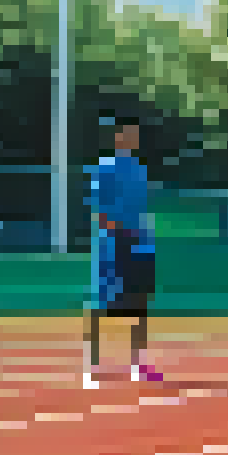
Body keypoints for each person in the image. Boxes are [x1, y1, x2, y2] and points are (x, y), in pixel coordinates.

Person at [85, 118, 160, 387]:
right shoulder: (103, 169)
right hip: (112, 243)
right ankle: (92, 365)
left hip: (138, 242)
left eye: (134, 135)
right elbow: (97, 207)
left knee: (139, 303)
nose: (132, 139)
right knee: (101, 302)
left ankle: (138, 363)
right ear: (117, 138)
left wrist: (143, 237)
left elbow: (141, 209)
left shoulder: (139, 170)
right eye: (127, 134)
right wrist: (113, 229)